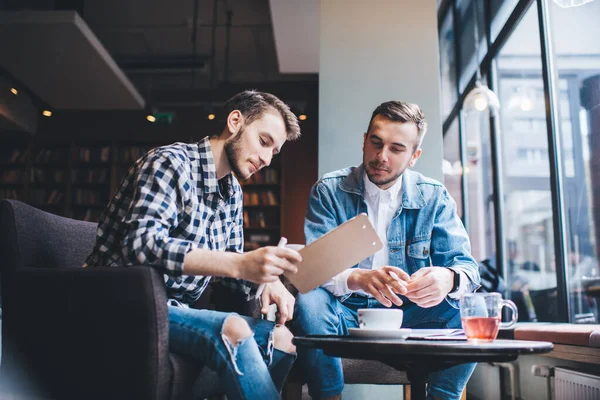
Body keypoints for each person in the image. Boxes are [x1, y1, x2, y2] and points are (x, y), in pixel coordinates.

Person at [84, 90, 303, 400]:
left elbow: (229, 273)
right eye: (264, 142)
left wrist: (265, 281)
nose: (267, 158)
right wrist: (242, 264)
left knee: (283, 339)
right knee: (234, 330)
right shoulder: (170, 163)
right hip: (123, 302)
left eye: (274, 152)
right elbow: (142, 244)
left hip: (176, 310)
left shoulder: (232, 193)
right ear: (235, 121)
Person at [294, 101, 481, 400]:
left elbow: (467, 269)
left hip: (410, 312)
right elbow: (313, 270)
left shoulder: (434, 196)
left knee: (474, 309)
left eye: (396, 149)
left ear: (413, 156)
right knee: (309, 300)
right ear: (364, 139)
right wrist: (359, 278)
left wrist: (448, 278)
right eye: (376, 143)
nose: (381, 157)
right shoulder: (329, 190)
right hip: (346, 312)